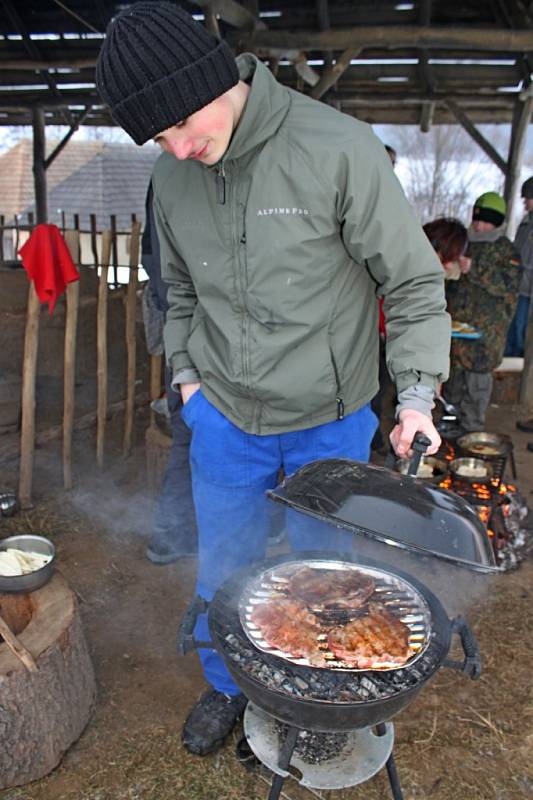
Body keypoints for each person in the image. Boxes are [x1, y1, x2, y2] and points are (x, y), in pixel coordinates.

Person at [96, 1, 450, 756]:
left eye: (178, 127)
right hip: (224, 415)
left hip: (329, 415)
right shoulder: (174, 175)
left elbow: (414, 283)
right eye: (159, 138)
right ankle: (227, 685)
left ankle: (319, 697)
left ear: (213, 81)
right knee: (223, 568)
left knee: (330, 582)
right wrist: (190, 380)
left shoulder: (338, 150)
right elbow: (178, 294)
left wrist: (415, 394)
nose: (176, 149)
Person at [141, 181, 197, 563]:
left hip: (180, 321)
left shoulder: (163, 177)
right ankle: (172, 534)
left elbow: (149, 254)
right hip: (195, 330)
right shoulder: (174, 175)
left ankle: (171, 533)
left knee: (188, 436)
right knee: (191, 435)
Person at [444, 193, 521, 432]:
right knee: (452, 381)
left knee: (476, 383)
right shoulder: (463, 242)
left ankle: (472, 431)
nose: (478, 225)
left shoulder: (505, 250)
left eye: (485, 220)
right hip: (456, 327)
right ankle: (449, 426)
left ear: (496, 222)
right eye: (476, 219)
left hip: (485, 334)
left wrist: (473, 269)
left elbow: (509, 285)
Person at [505, 176, 533, 358]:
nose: (525, 203)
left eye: (528, 199)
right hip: (518, 287)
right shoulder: (525, 223)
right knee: (513, 328)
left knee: (522, 331)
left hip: (528, 290)